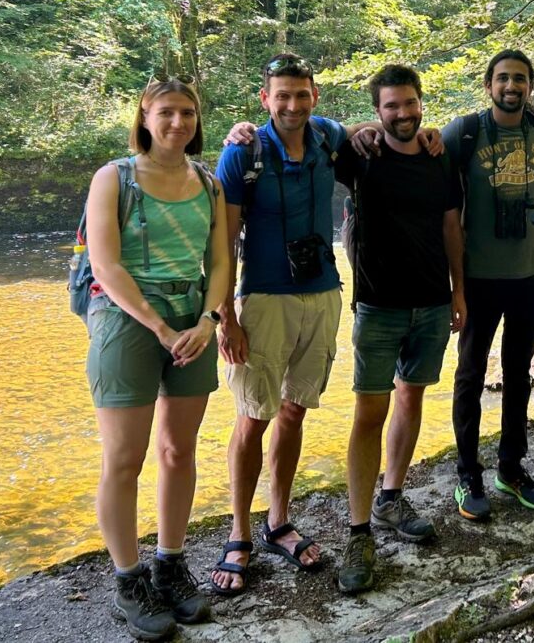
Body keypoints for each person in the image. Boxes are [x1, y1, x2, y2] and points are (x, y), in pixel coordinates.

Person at [83, 77, 229, 642]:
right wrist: (162, 328)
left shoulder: (208, 183)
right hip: (128, 321)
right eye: (166, 112)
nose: (177, 122)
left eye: (187, 112)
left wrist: (209, 320)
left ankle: (170, 564)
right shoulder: (114, 178)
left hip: (192, 320)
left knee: (178, 450)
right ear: (144, 116)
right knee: (125, 458)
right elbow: (106, 265)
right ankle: (129, 579)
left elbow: (220, 262)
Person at [209, 55, 348, 595]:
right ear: (264, 98)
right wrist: (226, 316)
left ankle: (278, 521)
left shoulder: (327, 137)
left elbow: (371, 130)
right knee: (253, 416)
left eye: (301, 94)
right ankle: (238, 532)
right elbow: (223, 242)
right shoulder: (242, 152)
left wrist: (426, 133)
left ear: (315, 95)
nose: (292, 105)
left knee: (295, 410)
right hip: (264, 298)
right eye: (281, 95)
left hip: (323, 293)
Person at [332, 65, 466, 593]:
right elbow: (312, 132)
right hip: (378, 307)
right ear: (378, 110)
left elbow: (451, 226)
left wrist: (458, 292)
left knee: (412, 399)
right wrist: (357, 130)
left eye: (410, 103)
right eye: (391, 106)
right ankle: (358, 531)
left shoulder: (439, 157)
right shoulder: (361, 157)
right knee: (369, 414)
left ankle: (390, 498)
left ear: (420, 103)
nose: (403, 114)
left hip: (432, 304)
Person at [444, 49, 534, 521]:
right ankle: (468, 473)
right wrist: (454, 286)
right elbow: (428, 172)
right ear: (489, 84)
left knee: (518, 372)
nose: (512, 86)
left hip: (530, 273)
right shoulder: (464, 132)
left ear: (531, 86)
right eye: (503, 78)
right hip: (480, 276)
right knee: (470, 374)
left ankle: (511, 468)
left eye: (520, 79)